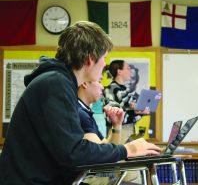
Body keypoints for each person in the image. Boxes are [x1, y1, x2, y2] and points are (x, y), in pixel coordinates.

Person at [0, 21, 161, 185]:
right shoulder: (56, 84)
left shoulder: (59, 82)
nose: (105, 64)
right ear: (90, 59)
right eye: (104, 57)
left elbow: (71, 151)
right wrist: (128, 149)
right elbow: (74, 153)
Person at [103, 60, 150, 183]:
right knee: (129, 171)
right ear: (119, 71)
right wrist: (137, 112)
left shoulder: (125, 90)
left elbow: (130, 111)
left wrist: (139, 112)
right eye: (128, 68)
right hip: (119, 132)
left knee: (131, 170)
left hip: (127, 131)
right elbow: (117, 115)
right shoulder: (112, 89)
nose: (130, 71)